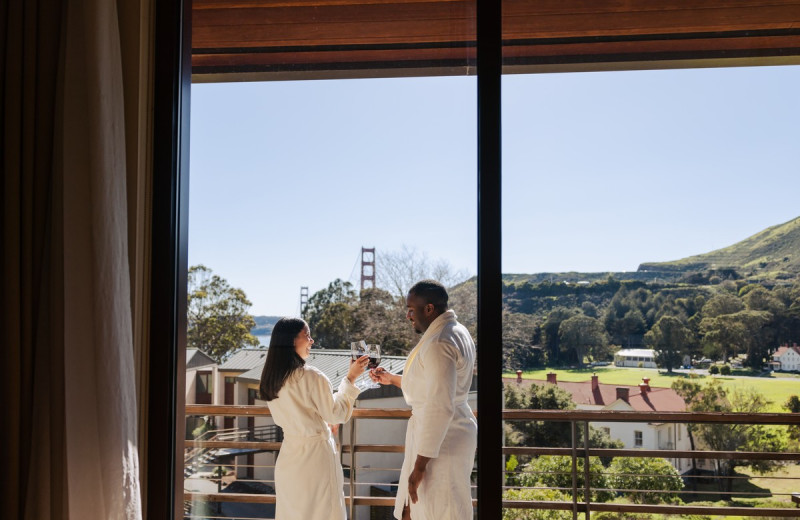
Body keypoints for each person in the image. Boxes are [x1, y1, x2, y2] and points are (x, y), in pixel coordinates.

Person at [369, 280, 477, 520]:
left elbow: (440, 405)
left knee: (437, 510)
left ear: (429, 309)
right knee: (421, 508)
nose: (408, 316)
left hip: (441, 440)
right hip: (445, 433)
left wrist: (419, 467)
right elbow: (433, 386)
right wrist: (392, 379)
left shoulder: (440, 342)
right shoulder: (455, 330)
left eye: (411, 309)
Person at [259, 317, 369, 520]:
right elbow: (336, 414)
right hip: (315, 459)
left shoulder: (271, 379)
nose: (312, 340)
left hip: (289, 458)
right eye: (307, 335)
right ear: (292, 340)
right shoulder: (312, 376)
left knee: (293, 513)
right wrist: (350, 378)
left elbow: (306, 409)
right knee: (324, 511)